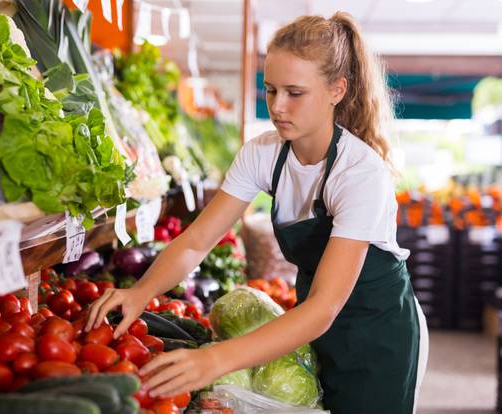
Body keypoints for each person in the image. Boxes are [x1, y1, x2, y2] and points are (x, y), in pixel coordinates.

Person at [86, 11, 429, 414]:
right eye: (270, 90)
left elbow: (324, 306)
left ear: (337, 90)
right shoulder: (264, 153)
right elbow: (197, 242)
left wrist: (215, 359)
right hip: (311, 322)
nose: (278, 107)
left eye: (294, 92)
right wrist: (141, 292)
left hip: (376, 334)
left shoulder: (359, 174)